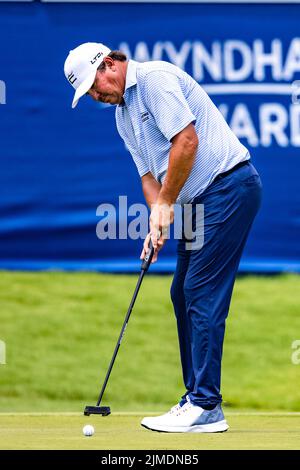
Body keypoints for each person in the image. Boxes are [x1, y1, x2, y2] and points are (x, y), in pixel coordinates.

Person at [64, 42, 262, 433]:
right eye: (87, 92)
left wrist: (167, 204)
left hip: (227, 187)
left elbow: (187, 143)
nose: (94, 95)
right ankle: (196, 399)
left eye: (93, 85)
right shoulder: (122, 116)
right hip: (199, 201)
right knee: (181, 293)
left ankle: (206, 405)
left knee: (200, 291)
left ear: (109, 64)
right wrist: (157, 220)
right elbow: (148, 178)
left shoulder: (154, 79)